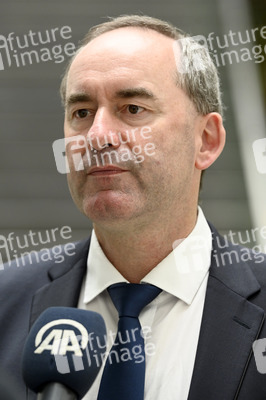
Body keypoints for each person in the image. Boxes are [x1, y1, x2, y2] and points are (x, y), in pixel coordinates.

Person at [1, 15, 266, 400]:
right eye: (82, 113)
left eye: (132, 108)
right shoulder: (7, 303)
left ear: (206, 140)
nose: (97, 136)